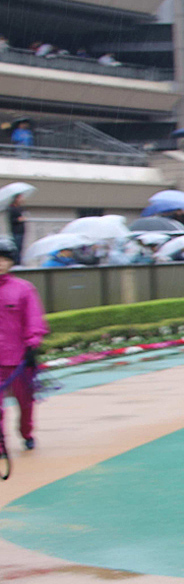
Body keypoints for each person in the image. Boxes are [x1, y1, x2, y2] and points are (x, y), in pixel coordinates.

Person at [0, 236, 48, 449]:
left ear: (12, 262)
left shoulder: (24, 289)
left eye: (5, 259)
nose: (1, 263)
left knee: (26, 402)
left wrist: (32, 344)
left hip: (18, 359)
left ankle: (26, 433)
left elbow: (34, 319)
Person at [8, 192, 26, 259]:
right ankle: (16, 261)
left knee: (20, 247)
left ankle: (19, 260)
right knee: (16, 247)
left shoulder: (20, 208)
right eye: (20, 198)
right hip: (16, 231)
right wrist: (18, 220)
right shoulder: (12, 208)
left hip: (21, 230)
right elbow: (12, 220)